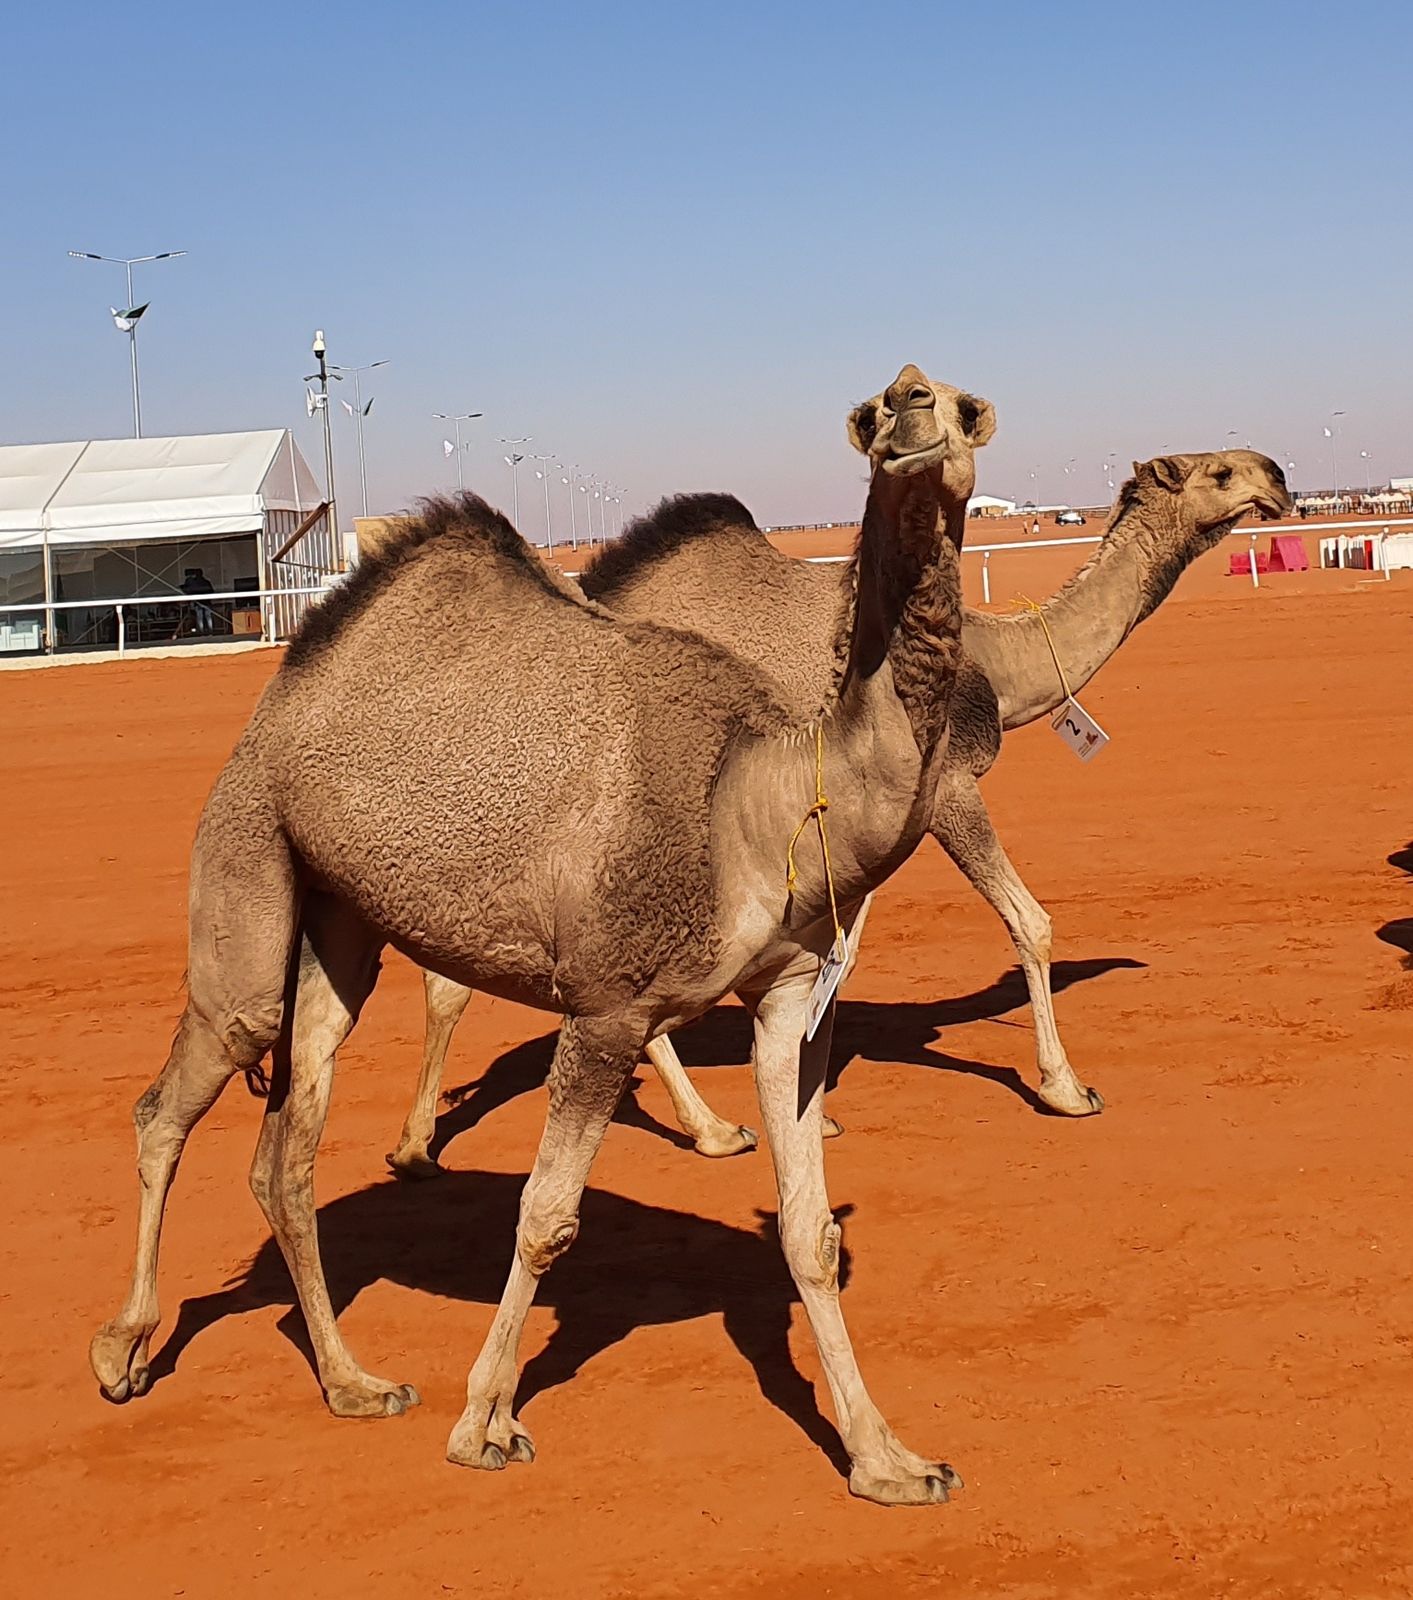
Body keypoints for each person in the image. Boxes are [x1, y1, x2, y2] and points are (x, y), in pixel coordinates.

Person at [180, 567, 216, 635]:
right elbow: (211, 591)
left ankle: (201, 632)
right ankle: (211, 632)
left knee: (200, 618)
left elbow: (189, 591)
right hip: (207, 602)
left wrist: (183, 588)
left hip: (198, 602)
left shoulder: (193, 583)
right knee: (208, 617)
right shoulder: (206, 582)